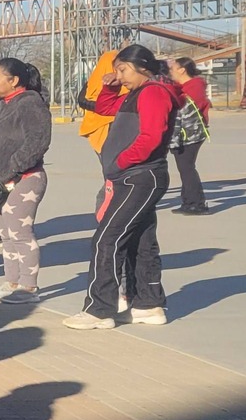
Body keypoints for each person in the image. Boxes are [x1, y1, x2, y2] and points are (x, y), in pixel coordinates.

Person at [67, 45, 182, 330]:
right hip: (132, 175)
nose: (118, 75)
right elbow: (105, 108)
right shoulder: (136, 94)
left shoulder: (154, 92)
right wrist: (110, 87)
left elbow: (151, 137)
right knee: (140, 241)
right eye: (117, 70)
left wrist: (120, 162)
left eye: (122, 70)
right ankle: (149, 304)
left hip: (138, 176)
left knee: (107, 239)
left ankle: (99, 309)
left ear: (142, 67)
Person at [0, 59, 52, 305]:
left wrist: (12, 170)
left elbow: (37, 142)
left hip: (23, 179)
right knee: (6, 234)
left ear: (14, 80)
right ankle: (12, 281)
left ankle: (29, 287)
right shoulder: (1, 105)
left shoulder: (30, 103)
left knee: (20, 234)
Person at [167, 57, 212, 214]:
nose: (170, 71)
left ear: (182, 70)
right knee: (185, 168)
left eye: (173, 68)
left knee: (187, 168)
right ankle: (188, 202)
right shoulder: (181, 86)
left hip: (191, 134)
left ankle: (197, 204)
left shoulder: (194, 86)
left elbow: (185, 110)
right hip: (184, 133)